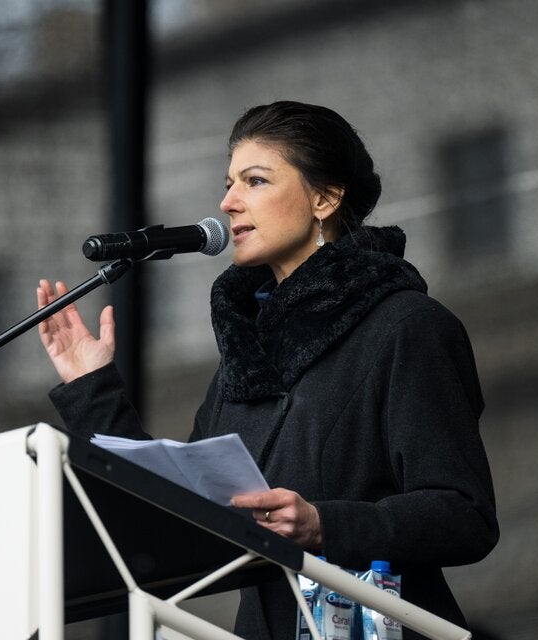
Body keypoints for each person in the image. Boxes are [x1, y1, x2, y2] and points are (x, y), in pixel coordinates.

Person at [36, 101, 498, 639]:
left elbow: (464, 515)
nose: (228, 202)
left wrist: (324, 523)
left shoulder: (405, 327)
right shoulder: (248, 350)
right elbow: (177, 510)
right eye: (228, 183)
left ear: (325, 198)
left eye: (255, 181)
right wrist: (90, 386)